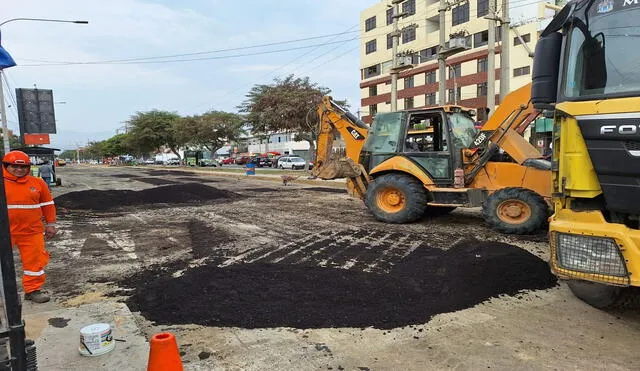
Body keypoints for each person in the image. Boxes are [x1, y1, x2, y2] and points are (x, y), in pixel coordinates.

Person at [3, 151, 57, 303]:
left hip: (31, 231)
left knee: (35, 262)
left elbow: (48, 205)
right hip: (4, 232)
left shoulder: (38, 183)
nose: (19, 170)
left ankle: (32, 290)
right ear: (6, 166)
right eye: (15, 166)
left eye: (24, 167)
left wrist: (51, 224)